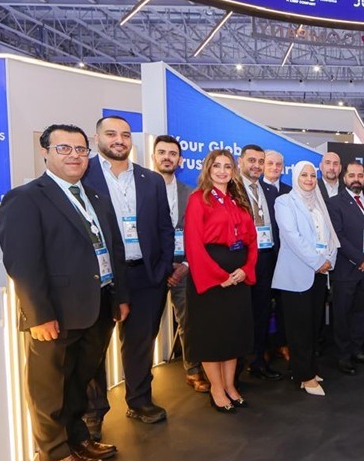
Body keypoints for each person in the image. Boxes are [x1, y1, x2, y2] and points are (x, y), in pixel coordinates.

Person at [0, 123, 128, 461]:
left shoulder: (95, 197)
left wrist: (119, 297)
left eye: (80, 149)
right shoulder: (26, 198)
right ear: (45, 152)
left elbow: (113, 250)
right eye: (64, 148)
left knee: (77, 381)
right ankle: (54, 454)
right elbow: (22, 263)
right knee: (50, 386)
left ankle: (77, 438)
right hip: (56, 312)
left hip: (97, 305)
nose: (74, 155)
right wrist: (39, 314)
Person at [83, 115, 174, 430]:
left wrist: (162, 268)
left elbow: (165, 228)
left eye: (124, 134)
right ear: (97, 139)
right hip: (102, 277)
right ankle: (93, 413)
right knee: (94, 348)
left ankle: (139, 400)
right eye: (111, 134)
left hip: (145, 275)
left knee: (140, 343)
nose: (119, 140)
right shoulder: (83, 175)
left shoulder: (151, 180)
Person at [183, 149, 258, 413]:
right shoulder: (198, 199)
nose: (222, 171)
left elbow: (252, 241)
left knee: (232, 335)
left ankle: (230, 385)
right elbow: (193, 244)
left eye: (227, 166)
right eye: (217, 166)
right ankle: (216, 388)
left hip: (237, 277)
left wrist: (246, 269)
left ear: (233, 170)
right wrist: (219, 277)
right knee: (212, 336)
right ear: (208, 169)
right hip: (211, 280)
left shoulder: (239, 199)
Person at [272, 161, 339, 396]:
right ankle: (305, 376)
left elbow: (330, 236)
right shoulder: (284, 202)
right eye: (304, 175)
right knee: (299, 329)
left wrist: (329, 259)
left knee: (312, 326)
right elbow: (292, 237)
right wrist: (318, 261)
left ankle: (307, 368)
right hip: (296, 274)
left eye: (312, 175)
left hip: (319, 274)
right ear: (295, 177)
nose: (309, 179)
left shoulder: (319, 203)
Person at [153, 135, 208, 393]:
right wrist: (161, 266)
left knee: (189, 321)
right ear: (154, 156)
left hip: (184, 266)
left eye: (173, 153)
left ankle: (193, 370)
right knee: (145, 328)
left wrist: (186, 263)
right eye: (162, 152)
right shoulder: (142, 190)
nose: (167, 157)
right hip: (151, 268)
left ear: (180, 160)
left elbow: (199, 233)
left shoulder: (192, 193)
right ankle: (140, 383)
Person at [327, 161, 364, 375]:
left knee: (362, 312)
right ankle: (343, 355)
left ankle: (357, 350)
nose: (356, 179)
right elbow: (338, 236)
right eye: (352, 175)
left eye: (360, 175)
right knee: (343, 314)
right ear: (344, 178)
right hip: (346, 269)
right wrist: (360, 260)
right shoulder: (334, 203)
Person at [238, 145, 285, 380]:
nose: (256, 166)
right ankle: (234, 370)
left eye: (260, 161)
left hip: (266, 259)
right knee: (239, 315)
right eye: (252, 161)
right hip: (241, 261)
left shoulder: (268, 190)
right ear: (240, 162)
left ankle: (257, 361)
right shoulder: (232, 189)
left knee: (261, 312)